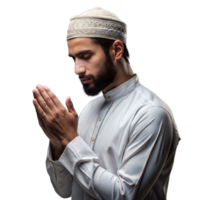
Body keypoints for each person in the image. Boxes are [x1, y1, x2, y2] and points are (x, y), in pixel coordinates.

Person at [41, 6, 183, 200]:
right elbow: (64, 190)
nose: (76, 69)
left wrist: (70, 139)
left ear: (116, 50)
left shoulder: (151, 114)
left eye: (85, 56)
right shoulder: (89, 109)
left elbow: (124, 196)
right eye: (73, 59)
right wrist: (58, 142)